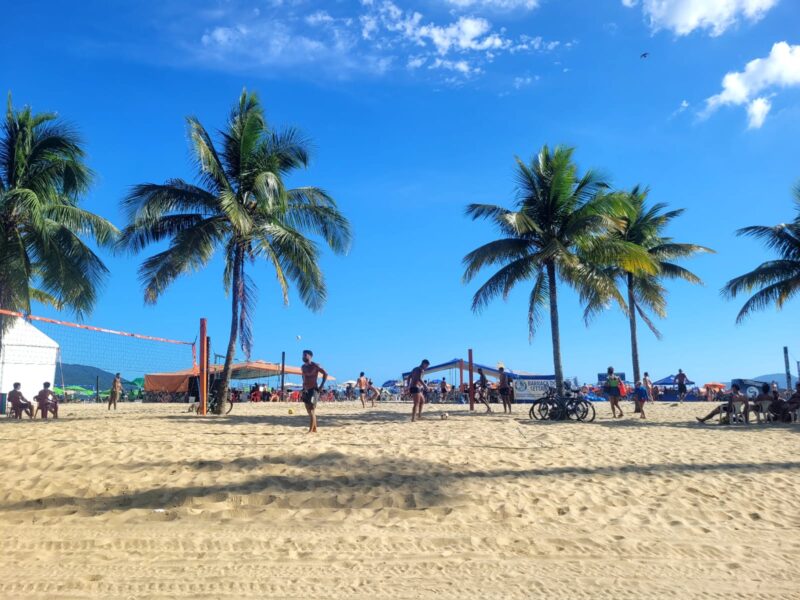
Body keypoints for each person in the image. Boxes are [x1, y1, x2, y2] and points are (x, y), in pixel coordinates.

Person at [301, 349, 327, 433]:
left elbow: (325, 374)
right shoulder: (303, 367)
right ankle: (314, 428)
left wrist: (321, 386)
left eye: (305, 355)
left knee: (312, 409)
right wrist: (303, 387)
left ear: (310, 356)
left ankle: (310, 430)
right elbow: (303, 376)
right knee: (308, 410)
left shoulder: (315, 365)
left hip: (314, 390)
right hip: (306, 390)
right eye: (303, 355)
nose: (303, 357)